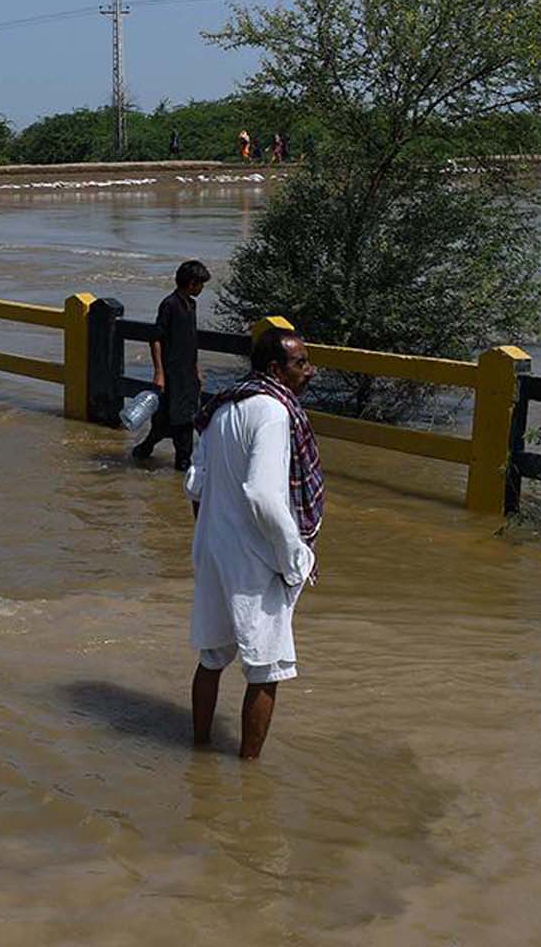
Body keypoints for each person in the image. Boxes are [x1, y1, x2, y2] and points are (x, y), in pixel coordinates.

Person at [185, 326, 322, 761]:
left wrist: (209, 537)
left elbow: (195, 485)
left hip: (214, 550)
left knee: (212, 657)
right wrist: (293, 557)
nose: (310, 371)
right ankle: (249, 774)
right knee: (266, 670)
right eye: (300, 363)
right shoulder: (274, 413)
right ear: (275, 369)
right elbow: (263, 494)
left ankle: (198, 752)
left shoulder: (223, 408)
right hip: (255, 559)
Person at [133, 260, 210, 468]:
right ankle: (174, 462)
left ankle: (174, 459)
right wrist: (159, 372)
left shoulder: (191, 305)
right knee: (168, 420)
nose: (202, 289)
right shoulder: (169, 304)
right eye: (201, 284)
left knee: (185, 420)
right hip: (171, 373)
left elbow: (191, 341)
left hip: (187, 375)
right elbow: (156, 338)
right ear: (192, 283)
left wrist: (196, 370)